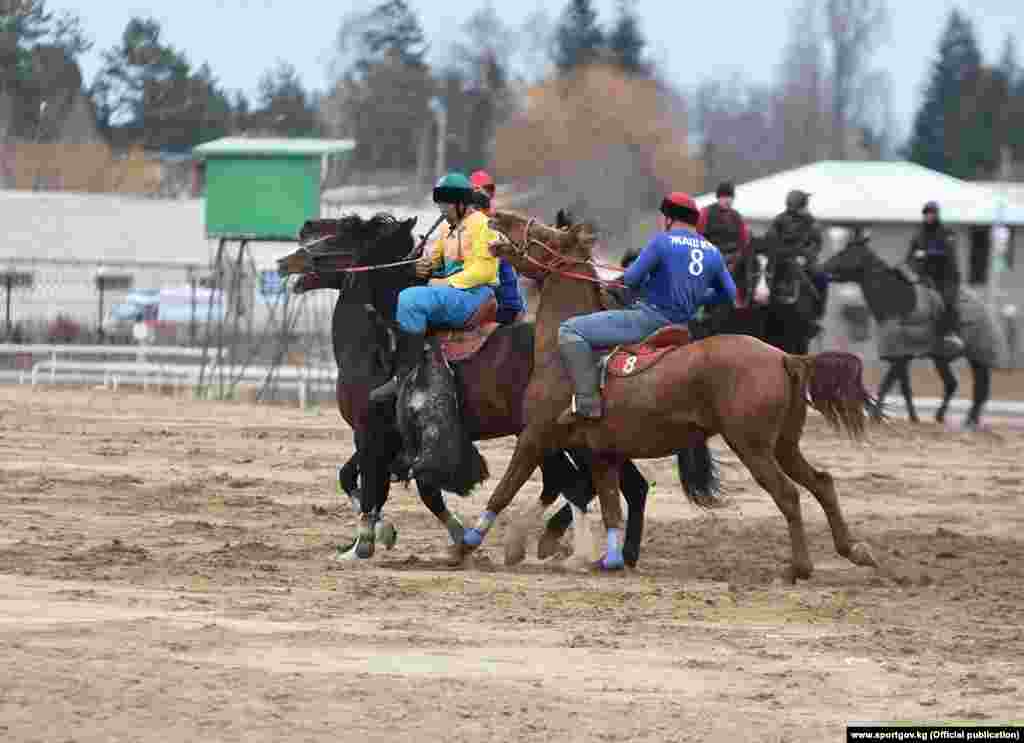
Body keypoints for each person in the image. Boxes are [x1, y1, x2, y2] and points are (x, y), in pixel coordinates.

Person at [556, 192, 737, 422]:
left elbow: (631, 279)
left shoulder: (662, 241)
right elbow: (729, 293)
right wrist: (699, 298)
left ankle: (586, 402)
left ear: (669, 218)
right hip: (684, 328)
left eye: (663, 217)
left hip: (649, 321)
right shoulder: (713, 251)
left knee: (569, 330)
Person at [369, 172, 499, 402]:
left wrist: (445, 282)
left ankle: (406, 376)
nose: (441, 210)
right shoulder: (448, 229)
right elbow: (434, 258)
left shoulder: (483, 225)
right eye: (439, 204)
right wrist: (421, 266)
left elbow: (485, 271)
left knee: (410, 299)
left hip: (474, 295)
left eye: (444, 204)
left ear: (460, 203)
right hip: (453, 294)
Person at [766, 189, 828, 329]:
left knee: (822, 276)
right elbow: (771, 241)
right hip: (782, 260)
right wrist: (785, 255)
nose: (806, 208)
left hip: (804, 260)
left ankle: (817, 314)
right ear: (798, 206)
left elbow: (817, 243)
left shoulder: (811, 222)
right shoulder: (779, 220)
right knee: (764, 276)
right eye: (805, 205)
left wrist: (806, 257)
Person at [906, 200, 963, 352]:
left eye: (931, 213)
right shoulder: (918, 235)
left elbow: (947, 254)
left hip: (946, 277)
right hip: (925, 277)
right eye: (926, 213)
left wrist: (925, 254)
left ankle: (951, 333)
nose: (929, 216)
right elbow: (910, 257)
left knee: (947, 301)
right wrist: (907, 270)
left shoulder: (947, 233)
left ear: (937, 215)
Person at [470, 172, 526, 324]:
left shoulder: (491, 217)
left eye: (488, 189)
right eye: (481, 189)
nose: (485, 192)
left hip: (502, 305)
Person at [697, 181, 751, 273]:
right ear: (718, 198)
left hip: (732, 260)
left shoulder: (737, 216)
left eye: (730, 197)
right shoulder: (706, 213)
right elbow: (698, 236)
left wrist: (736, 257)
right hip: (710, 258)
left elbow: (744, 240)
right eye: (724, 197)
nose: (728, 200)